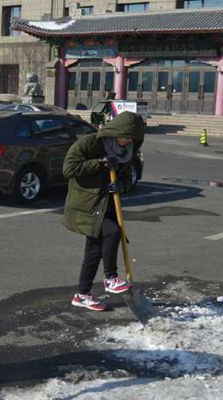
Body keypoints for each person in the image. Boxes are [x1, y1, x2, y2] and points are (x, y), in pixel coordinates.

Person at [62, 111, 145, 311]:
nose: (127, 141)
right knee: (113, 232)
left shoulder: (127, 151)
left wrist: (122, 186)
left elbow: (127, 177)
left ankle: (82, 295)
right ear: (116, 132)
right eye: (125, 137)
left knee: (93, 251)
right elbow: (69, 169)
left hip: (107, 205)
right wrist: (100, 163)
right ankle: (111, 278)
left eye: (131, 138)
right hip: (87, 204)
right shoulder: (89, 144)